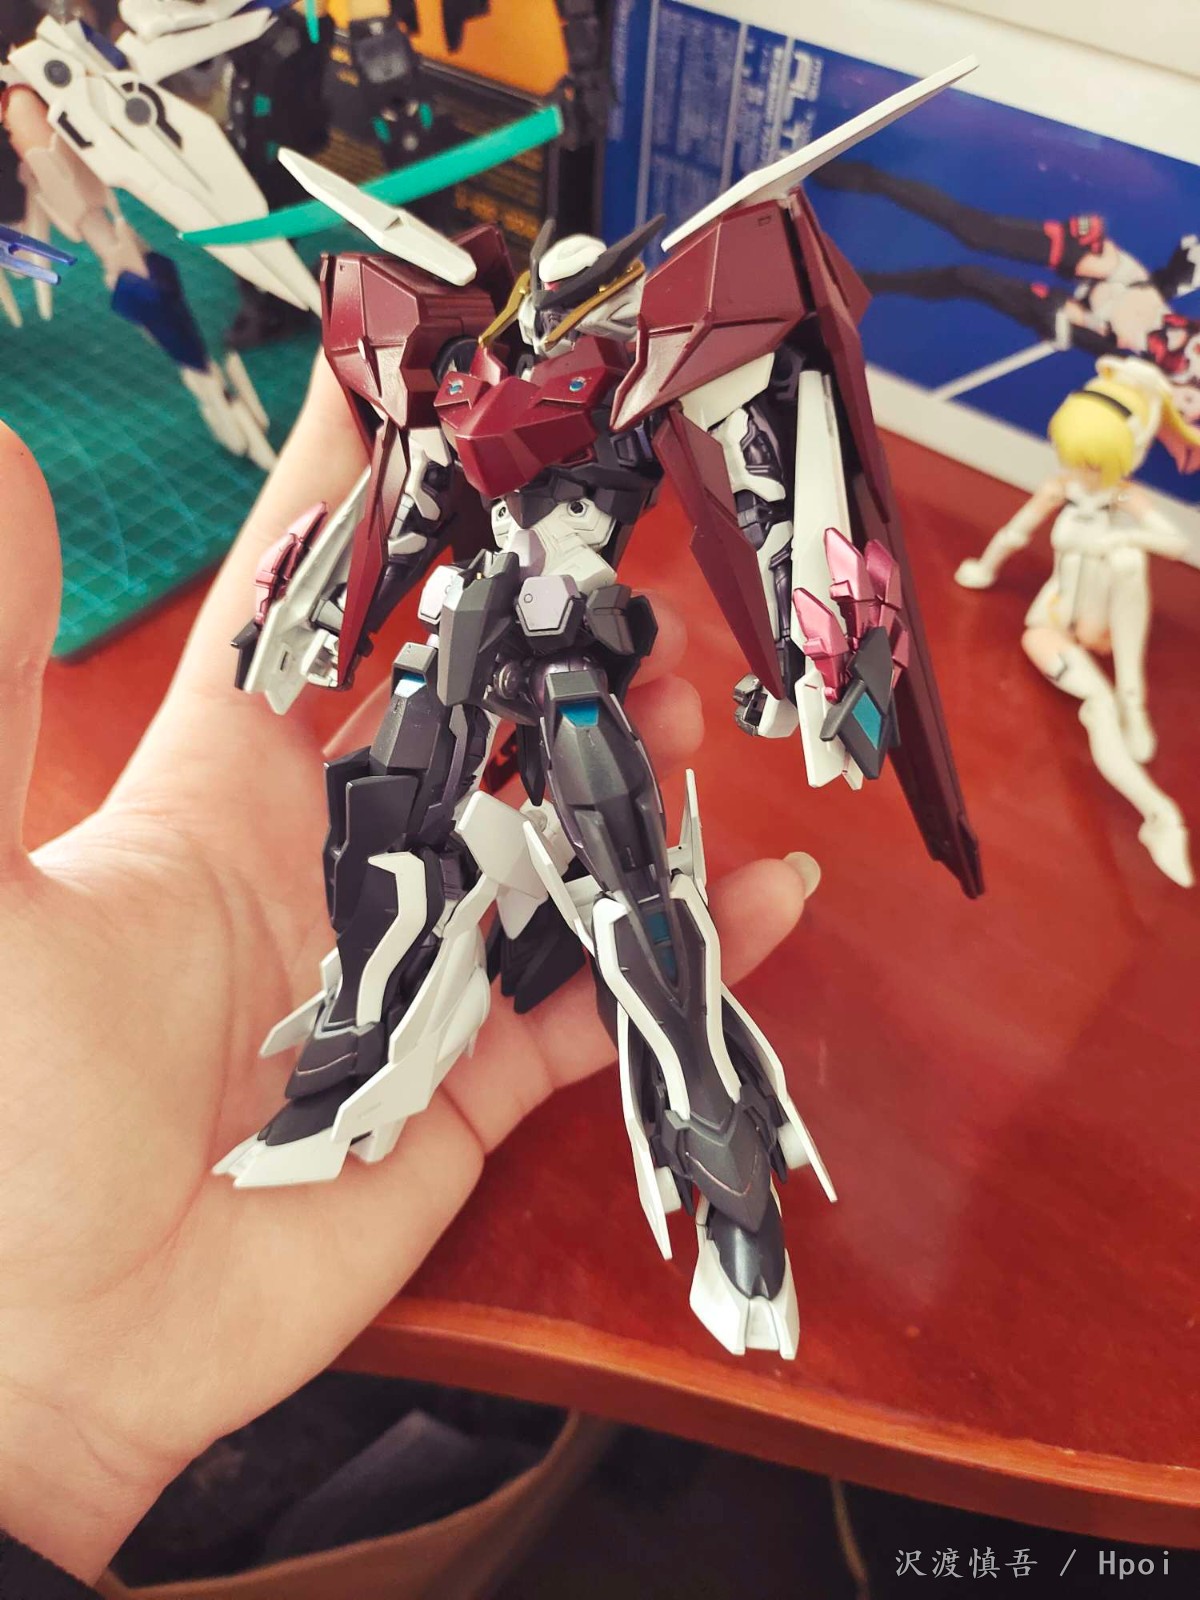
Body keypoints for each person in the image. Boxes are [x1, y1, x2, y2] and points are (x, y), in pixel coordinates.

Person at [0, 352, 816, 1589]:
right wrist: (316, 604)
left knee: (638, 893)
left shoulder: (666, 369)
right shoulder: (475, 360)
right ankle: (364, 1031)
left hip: (571, 640)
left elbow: (760, 491)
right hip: (471, 628)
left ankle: (729, 1177)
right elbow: (407, 491)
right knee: (388, 810)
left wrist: (797, 657)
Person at [955, 357, 1195, 886]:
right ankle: (1158, 813)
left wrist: (1122, 535)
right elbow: (1017, 531)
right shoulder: (1063, 487)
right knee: (1096, 707)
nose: (1082, 466)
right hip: (1055, 619)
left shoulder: (1124, 497)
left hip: (1106, 616)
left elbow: (1177, 543)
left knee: (1128, 561)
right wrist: (984, 568)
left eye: (1094, 457)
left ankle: (1132, 695)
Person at [818, 160, 1200, 456]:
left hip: (1082, 306)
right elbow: (1166, 283)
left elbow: (1094, 337)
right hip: (1106, 270)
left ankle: (864, 283)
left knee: (967, 278)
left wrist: (1067, 323)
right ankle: (866, 178)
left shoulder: (1142, 371)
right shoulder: (1175, 349)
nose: (1187, 405)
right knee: (976, 231)